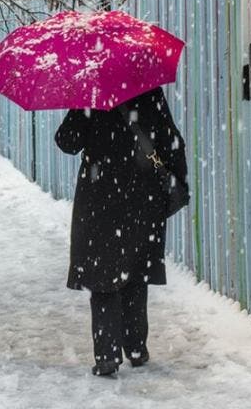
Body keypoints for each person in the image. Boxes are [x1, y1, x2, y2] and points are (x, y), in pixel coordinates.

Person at [54, 86, 187, 377]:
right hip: (142, 195)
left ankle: (107, 355)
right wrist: (179, 181)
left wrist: (80, 108)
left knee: (103, 275)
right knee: (135, 271)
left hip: (100, 195)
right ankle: (136, 347)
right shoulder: (148, 89)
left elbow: (67, 141)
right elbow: (170, 139)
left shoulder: (90, 94)